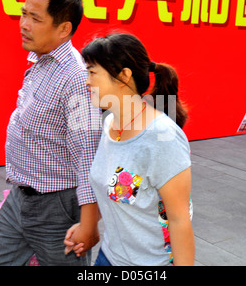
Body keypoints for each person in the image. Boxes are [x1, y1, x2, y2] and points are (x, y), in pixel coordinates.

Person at [0, 0, 101, 266]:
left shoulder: (76, 78)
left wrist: (88, 224)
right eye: (24, 13)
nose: (24, 24)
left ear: (64, 28)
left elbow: (87, 155)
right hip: (19, 198)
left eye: (35, 18)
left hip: (55, 208)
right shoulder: (40, 61)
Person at [64, 33, 195, 266]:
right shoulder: (109, 124)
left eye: (93, 72)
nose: (86, 81)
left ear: (124, 75)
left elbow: (179, 220)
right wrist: (88, 225)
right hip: (109, 257)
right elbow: (114, 188)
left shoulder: (162, 138)